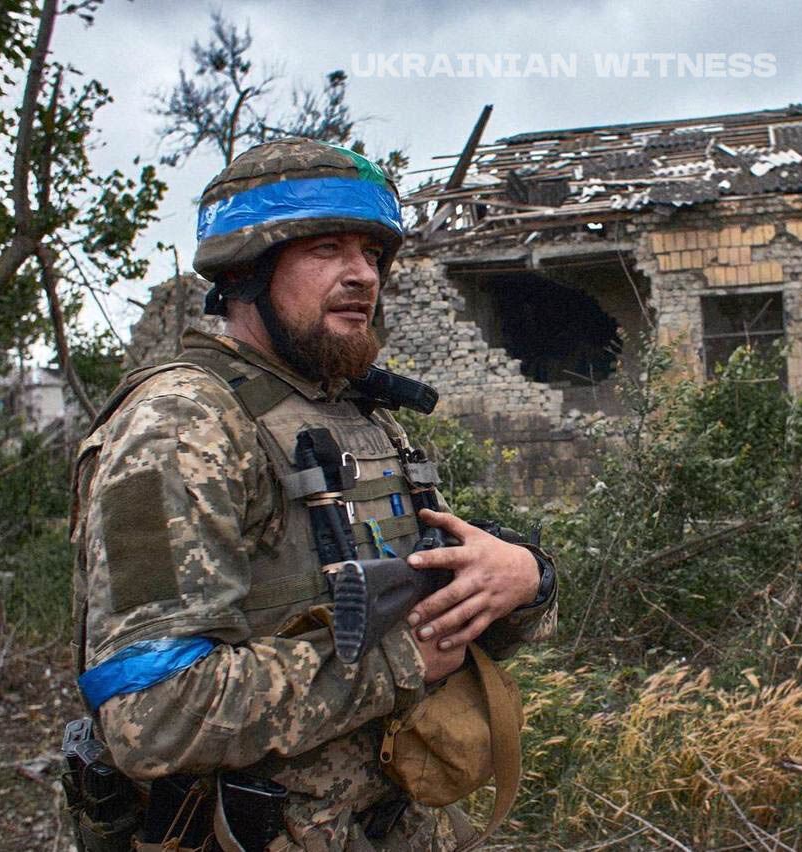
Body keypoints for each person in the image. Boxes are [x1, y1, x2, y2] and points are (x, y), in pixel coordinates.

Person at [71, 137, 558, 851]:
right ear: (246, 272)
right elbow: (152, 715)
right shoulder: (182, 424)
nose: (362, 275)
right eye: (326, 249)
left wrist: (525, 578)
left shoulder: (363, 417)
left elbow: (440, 616)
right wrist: (399, 663)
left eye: (371, 254)